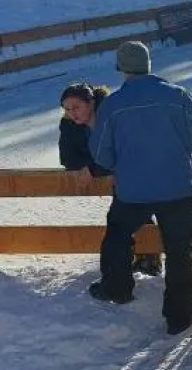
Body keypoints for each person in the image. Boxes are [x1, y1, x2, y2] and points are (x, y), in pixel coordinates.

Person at [88, 41, 192, 335]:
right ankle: (181, 314)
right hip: (177, 186)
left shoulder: (113, 105)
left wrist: (125, 163)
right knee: (179, 249)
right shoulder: (178, 96)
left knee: (118, 234)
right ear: (149, 64)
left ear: (120, 68)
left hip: (133, 190)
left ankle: (117, 287)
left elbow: (102, 153)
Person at [60, 82, 163, 277]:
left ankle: (147, 260)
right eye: (67, 109)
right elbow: (68, 158)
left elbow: (125, 152)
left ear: (91, 102)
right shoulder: (68, 124)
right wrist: (92, 167)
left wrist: (94, 168)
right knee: (120, 223)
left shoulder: (114, 115)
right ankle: (127, 268)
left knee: (130, 216)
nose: (72, 113)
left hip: (141, 171)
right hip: (118, 177)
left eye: (76, 107)